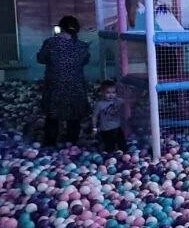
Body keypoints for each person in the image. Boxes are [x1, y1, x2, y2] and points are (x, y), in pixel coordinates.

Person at [36, 16, 91, 146]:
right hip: (76, 85)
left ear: (60, 28)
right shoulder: (82, 46)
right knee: (74, 115)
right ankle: (72, 142)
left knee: (52, 115)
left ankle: (50, 143)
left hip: (55, 85)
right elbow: (85, 61)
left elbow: (41, 59)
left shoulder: (50, 43)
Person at [92, 80, 127, 152]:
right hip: (106, 130)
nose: (111, 95)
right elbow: (95, 116)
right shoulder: (99, 104)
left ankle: (123, 154)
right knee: (109, 147)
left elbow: (128, 101)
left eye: (113, 92)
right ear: (102, 92)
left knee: (123, 145)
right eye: (108, 92)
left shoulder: (118, 100)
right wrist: (94, 127)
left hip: (117, 128)